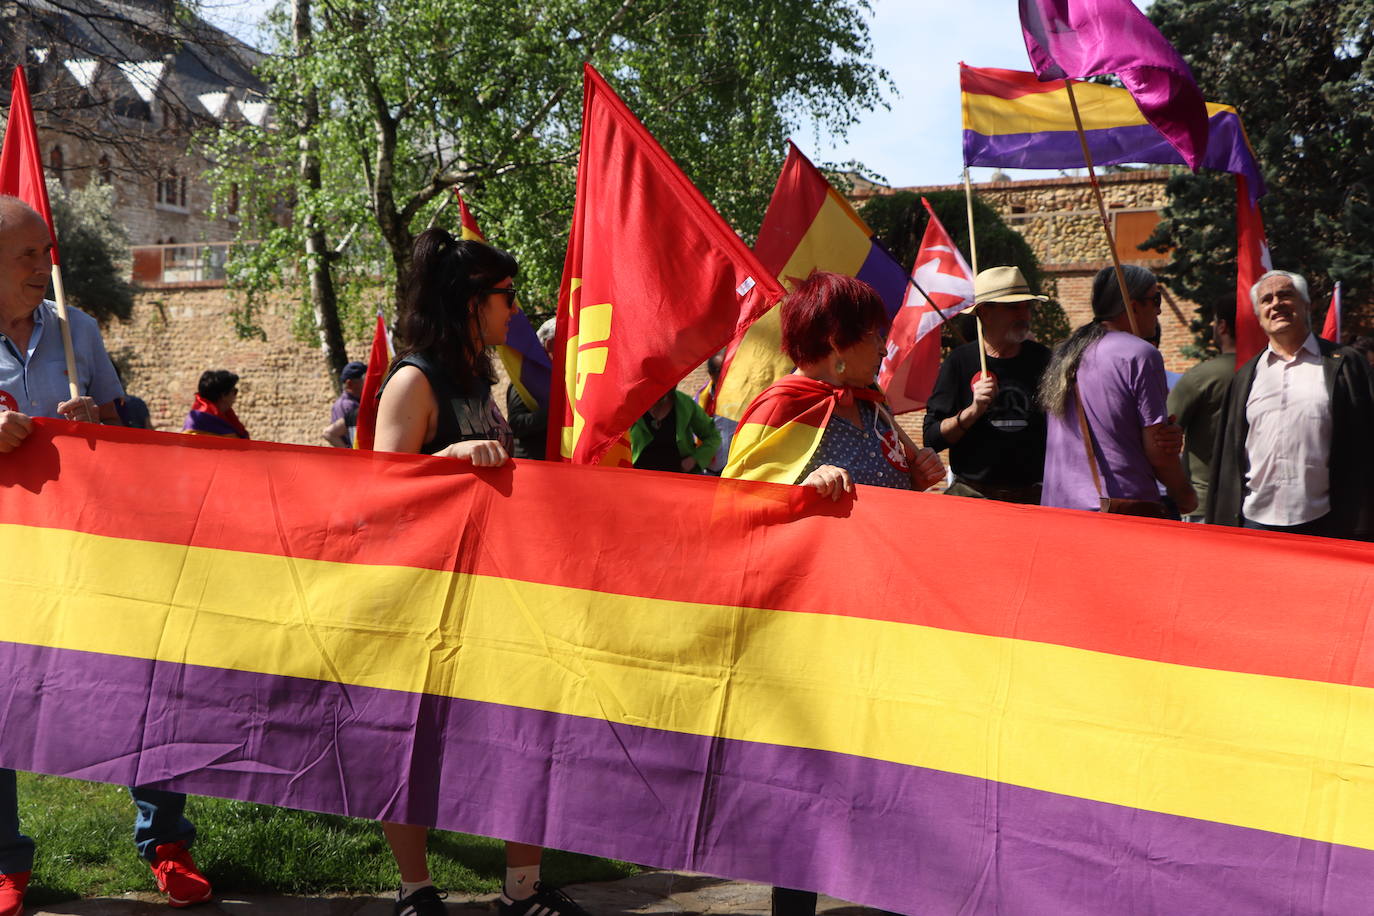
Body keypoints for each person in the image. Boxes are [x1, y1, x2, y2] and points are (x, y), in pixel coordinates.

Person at [0, 195, 212, 914]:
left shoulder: (77, 330)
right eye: (28, 254)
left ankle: (167, 843)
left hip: (89, 546)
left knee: (140, 684)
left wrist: (106, 420)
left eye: (45, 252)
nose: (43, 266)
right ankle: (4, 863)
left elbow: (132, 428)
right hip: (7, 561)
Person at [372, 228, 590, 916]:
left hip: (495, 591)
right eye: (505, 296)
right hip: (426, 601)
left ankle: (522, 892)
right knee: (409, 742)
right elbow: (379, 494)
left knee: (524, 731)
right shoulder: (412, 380)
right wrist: (449, 459)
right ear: (470, 302)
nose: (514, 309)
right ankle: (416, 893)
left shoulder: (478, 377)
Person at [720, 269, 942, 916]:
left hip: (891, 618)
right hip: (815, 628)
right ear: (837, 342)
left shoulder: (872, 406)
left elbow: (908, 483)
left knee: (892, 771)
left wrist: (926, 471)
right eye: (876, 335)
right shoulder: (780, 406)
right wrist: (800, 489)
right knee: (809, 781)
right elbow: (732, 506)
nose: (885, 347)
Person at [1207, 270, 1374, 539]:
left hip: (1329, 522)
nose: (1276, 304)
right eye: (1266, 300)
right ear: (1259, 315)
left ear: (1306, 305)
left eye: (1285, 295)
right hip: (1255, 522)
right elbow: (1228, 457)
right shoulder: (1246, 376)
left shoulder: (1346, 365)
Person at [1038, 265, 1196, 517]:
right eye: (1155, 299)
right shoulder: (1141, 354)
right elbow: (1158, 451)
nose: (1159, 309)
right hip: (1120, 508)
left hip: (1060, 508)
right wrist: (1185, 494)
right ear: (1133, 306)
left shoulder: (1065, 352)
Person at [923, 265, 1050, 504]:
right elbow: (932, 438)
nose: (1024, 315)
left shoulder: (1043, 360)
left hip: (1032, 499)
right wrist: (972, 412)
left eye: (1027, 306)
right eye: (1014, 308)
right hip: (972, 498)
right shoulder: (959, 362)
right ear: (984, 313)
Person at [1166, 300, 1237, 522]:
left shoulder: (1201, 378)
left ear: (1222, 326)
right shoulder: (1271, 373)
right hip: (1259, 508)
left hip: (1206, 504)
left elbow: (1163, 436)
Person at [629, 386, 720, 473]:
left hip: (677, 481)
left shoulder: (685, 404)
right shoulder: (630, 404)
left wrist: (695, 459)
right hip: (639, 480)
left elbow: (713, 437)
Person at [505, 318, 555, 459]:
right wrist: (555, 413)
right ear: (549, 345)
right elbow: (516, 423)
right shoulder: (524, 380)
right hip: (532, 464)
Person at [183, 369, 249, 438]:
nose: (235, 396)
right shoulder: (198, 421)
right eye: (234, 391)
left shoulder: (227, 416)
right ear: (223, 395)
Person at [323, 361, 366, 447]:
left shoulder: (353, 402)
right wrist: (350, 453)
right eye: (364, 380)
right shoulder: (348, 405)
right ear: (350, 383)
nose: (367, 383)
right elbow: (332, 434)